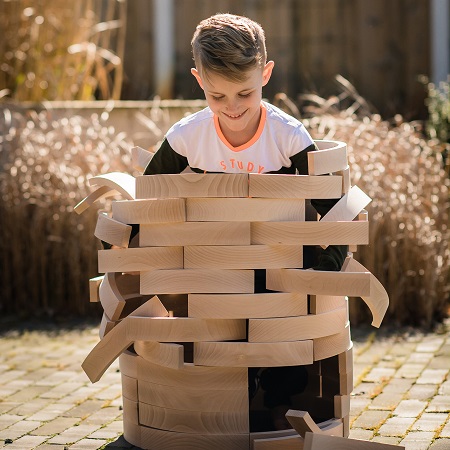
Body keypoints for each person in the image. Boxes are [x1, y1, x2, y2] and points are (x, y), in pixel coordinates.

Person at [143, 13, 347, 430]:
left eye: (245, 93)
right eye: (217, 97)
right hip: (213, 264)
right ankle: (220, 409)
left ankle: (278, 406)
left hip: (279, 262)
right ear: (198, 80)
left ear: (266, 74)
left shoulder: (288, 137)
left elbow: (335, 211)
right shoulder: (187, 137)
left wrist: (325, 268)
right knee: (218, 336)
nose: (232, 108)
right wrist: (126, 240)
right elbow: (150, 195)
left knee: (279, 332)